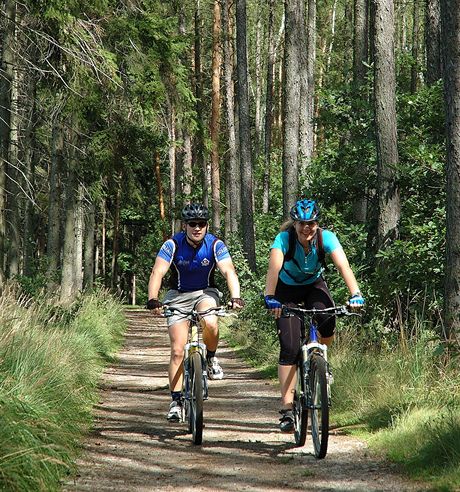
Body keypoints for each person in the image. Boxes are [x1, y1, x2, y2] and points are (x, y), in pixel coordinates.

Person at [263, 198, 365, 432]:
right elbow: (273, 269)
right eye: (302, 224)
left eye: (311, 223)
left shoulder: (326, 238)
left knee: (328, 318)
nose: (307, 228)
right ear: (294, 223)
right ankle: (288, 410)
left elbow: (343, 267)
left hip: (313, 285)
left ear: (317, 224)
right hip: (286, 289)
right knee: (289, 346)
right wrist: (271, 298)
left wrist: (355, 294)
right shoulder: (284, 239)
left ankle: (320, 360)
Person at [147, 203, 244, 421]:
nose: (197, 228)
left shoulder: (215, 244)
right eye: (193, 224)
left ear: (207, 225)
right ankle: (176, 400)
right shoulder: (172, 244)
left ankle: (210, 358)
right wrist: (153, 299)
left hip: (205, 293)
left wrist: (235, 296)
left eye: (201, 224)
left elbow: (229, 271)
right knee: (177, 350)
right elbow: (158, 271)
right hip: (177, 295)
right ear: (185, 225)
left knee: (210, 321)